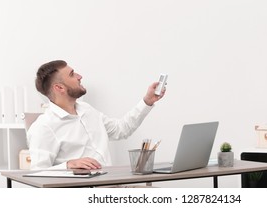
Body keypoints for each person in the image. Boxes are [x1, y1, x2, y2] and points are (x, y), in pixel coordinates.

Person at [27, 60, 165, 170]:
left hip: (111, 186)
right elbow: (37, 172)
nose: (79, 77)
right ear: (59, 88)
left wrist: (147, 101)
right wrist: (67, 165)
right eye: (72, 74)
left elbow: (121, 130)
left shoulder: (87, 110)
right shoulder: (44, 126)